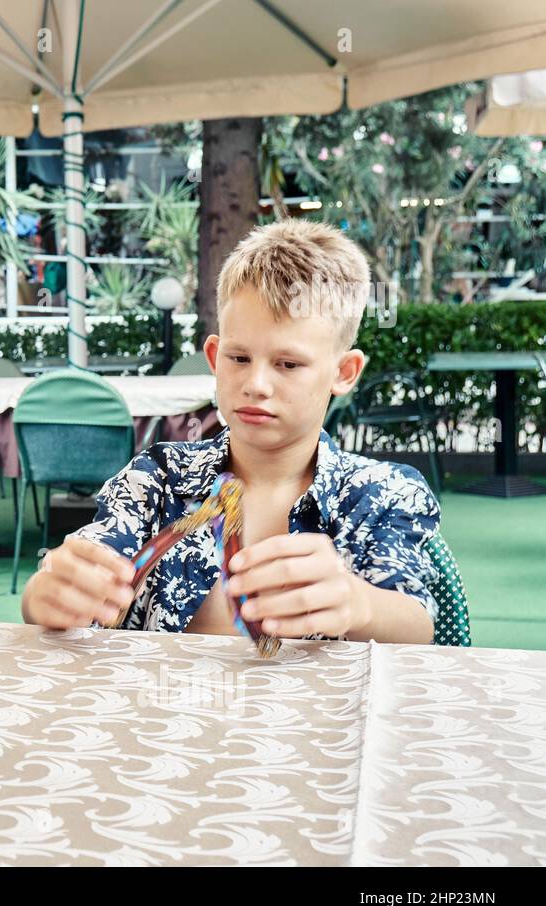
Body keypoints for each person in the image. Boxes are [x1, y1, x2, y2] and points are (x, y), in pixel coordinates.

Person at [22, 220, 440, 644]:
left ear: (344, 372)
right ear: (214, 356)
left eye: (288, 364)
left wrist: (358, 603)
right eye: (239, 358)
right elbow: (83, 567)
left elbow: (417, 625)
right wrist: (49, 591)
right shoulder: (157, 478)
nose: (256, 384)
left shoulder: (381, 493)